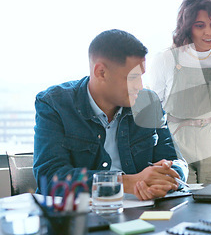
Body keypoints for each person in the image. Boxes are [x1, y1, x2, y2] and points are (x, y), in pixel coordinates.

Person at [33, 29, 188, 201]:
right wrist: (126, 183)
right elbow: (50, 177)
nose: (140, 86)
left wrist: (166, 177)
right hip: (77, 218)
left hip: (142, 213)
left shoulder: (148, 103)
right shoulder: (54, 104)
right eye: (133, 77)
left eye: (141, 76)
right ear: (101, 72)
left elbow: (177, 161)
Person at [148, 0, 211, 184]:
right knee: (182, 200)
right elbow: (155, 110)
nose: (209, 32)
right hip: (177, 144)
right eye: (200, 26)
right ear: (186, 27)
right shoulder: (165, 59)